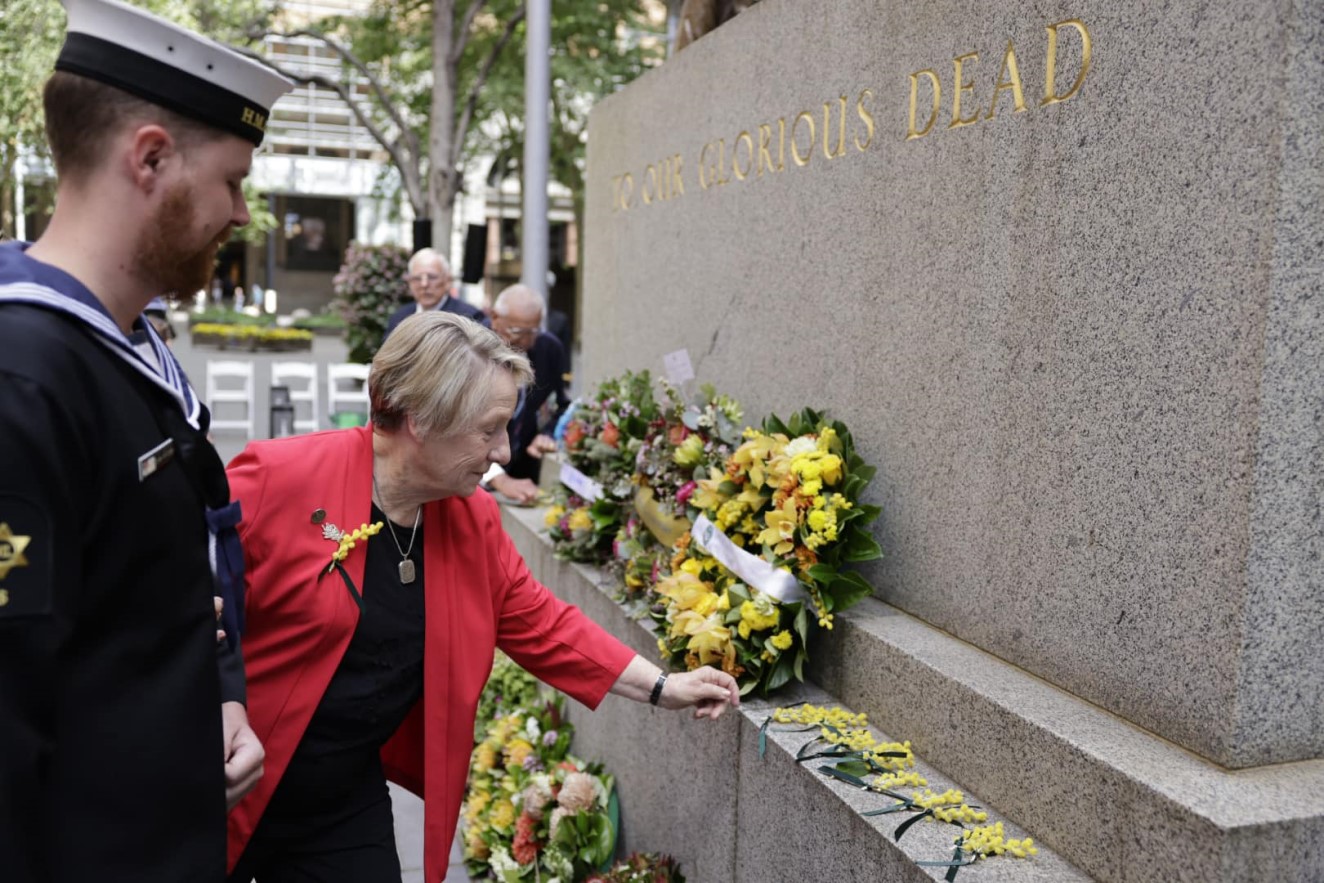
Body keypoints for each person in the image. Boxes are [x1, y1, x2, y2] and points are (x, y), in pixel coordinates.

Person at [224, 312, 739, 883]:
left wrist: (664, 686)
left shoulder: (471, 520)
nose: (503, 451)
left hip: (341, 801)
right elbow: (177, 598)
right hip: (227, 779)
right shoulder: (279, 477)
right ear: (421, 419)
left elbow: (544, 624)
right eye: (489, 429)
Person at [0, 1, 290, 880]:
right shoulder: (25, 374)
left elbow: (173, 565)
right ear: (152, 157)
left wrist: (225, 695)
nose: (241, 212)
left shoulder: (129, 342)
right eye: (233, 180)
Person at [483, 284, 572, 503]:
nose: (526, 341)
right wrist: (498, 478)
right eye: (517, 331)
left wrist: (548, 434)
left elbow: (559, 405)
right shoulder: (473, 349)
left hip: (526, 471)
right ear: (495, 318)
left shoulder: (549, 349)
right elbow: (454, 427)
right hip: (475, 474)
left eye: (533, 331)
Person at [382, 247, 487, 339]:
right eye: (417, 278)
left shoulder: (469, 317)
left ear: (447, 281)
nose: (424, 284)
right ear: (410, 283)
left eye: (431, 277)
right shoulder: (399, 317)